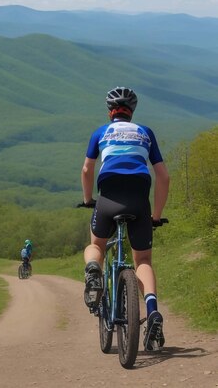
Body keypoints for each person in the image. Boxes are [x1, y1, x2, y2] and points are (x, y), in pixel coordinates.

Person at [80, 86, 169, 351]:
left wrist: (88, 200)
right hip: (139, 199)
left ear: (110, 112)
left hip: (108, 197)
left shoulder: (101, 132)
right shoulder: (145, 132)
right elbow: (163, 177)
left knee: (96, 245)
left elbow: (87, 169)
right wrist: (156, 216)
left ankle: (93, 270)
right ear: (132, 113)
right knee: (142, 259)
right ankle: (152, 310)